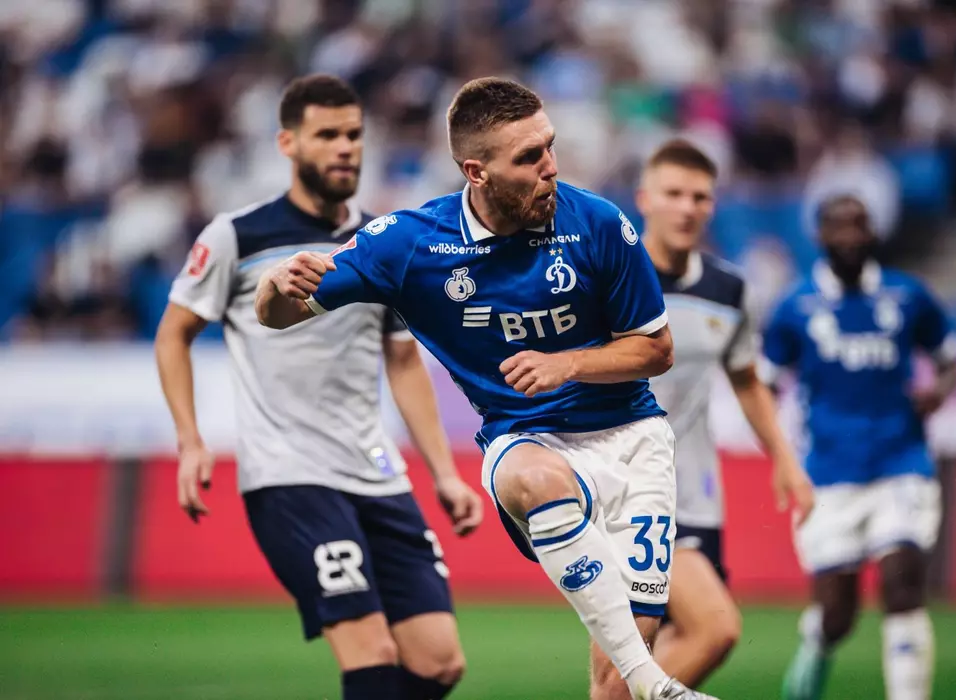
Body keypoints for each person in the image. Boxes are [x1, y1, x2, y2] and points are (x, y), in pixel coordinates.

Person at [255, 77, 719, 700]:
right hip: (525, 439)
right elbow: (278, 314)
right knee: (538, 480)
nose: (551, 167)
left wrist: (569, 363)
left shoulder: (599, 223)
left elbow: (656, 350)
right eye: (529, 157)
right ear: (476, 172)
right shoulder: (412, 244)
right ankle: (656, 683)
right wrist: (274, 284)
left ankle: (640, 681)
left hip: (635, 443)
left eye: (549, 146)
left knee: (612, 689)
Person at [155, 74, 483, 700]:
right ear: (288, 143)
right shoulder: (237, 236)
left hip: (376, 472)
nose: (345, 148)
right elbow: (174, 334)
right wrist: (190, 440)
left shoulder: (385, 242)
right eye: (327, 135)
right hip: (290, 475)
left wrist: (444, 473)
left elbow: (403, 361)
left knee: (439, 663)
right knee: (372, 654)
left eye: (353, 134)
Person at [762, 194, 956, 700]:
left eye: (859, 226)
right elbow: (763, 385)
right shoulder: (794, 306)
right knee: (837, 614)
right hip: (828, 473)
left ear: (873, 233)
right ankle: (818, 642)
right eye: (839, 227)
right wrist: (781, 454)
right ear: (820, 237)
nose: (850, 237)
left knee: (902, 584)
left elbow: (948, 360)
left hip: (901, 460)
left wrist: (937, 393)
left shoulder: (907, 295)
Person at [637, 139, 814, 690]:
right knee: (714, 630)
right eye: (673, 194)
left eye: (700, 197)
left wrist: (785, 458)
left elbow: (746, 380)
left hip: (695, 494)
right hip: (625, 490)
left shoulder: (729, 289)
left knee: (671, 644)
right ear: (644, 199)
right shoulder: (610, 280)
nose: (687, 208)